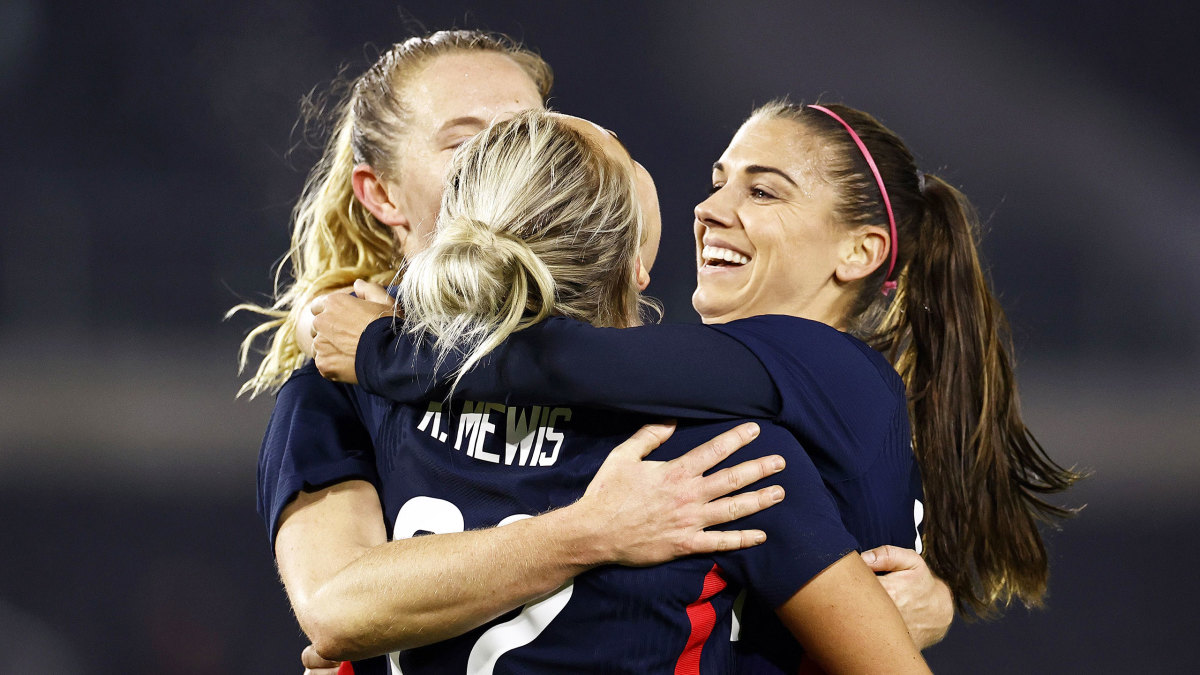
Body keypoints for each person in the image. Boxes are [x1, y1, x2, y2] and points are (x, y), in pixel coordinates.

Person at [236, 29, 948, 673]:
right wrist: (591, 530)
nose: (509, 156)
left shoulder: (368, 370)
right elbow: (335, 606)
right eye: (469, 141)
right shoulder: (716, 446)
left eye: (532, 134)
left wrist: (387, 351)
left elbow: (563, 363)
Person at [314, 100, 1079, 669]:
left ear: (860, 251)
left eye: (764, 191)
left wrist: (392, 352)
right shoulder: (744, 399)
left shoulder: (810, 386)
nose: (711, 210)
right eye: (718, 183)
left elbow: (575, 364)